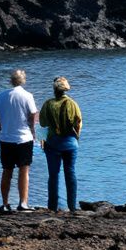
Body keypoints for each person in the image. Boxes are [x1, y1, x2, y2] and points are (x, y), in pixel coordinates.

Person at [0, 69, 39, 211]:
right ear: (23, 80)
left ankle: (5, 204)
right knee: (24, 171)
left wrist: (0, 129)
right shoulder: (27, 96)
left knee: (7, 170)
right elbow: (32, 117)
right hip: (24, 138)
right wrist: (34, 133)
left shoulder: (1, 96)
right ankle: (23, 203)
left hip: (6, 138)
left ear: (11, 80)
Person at [39, 76, 83, 212]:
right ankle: (72, 207)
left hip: (52, 144)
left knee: (53, 175)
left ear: (54, 90)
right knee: (70, 172)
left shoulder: (47, 104)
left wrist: (44, 140)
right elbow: (78, 122)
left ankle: (52, 207)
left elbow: (42, 124)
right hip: (70, 143)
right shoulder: (72, 104)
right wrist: (76, 138)